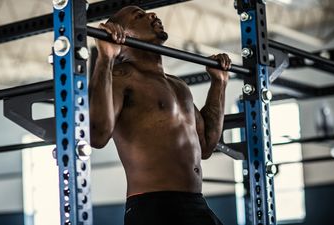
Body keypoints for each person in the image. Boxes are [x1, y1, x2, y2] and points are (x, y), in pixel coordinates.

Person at [89, 5, 230, 225]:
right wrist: (105, 58)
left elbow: (206, 146)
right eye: (139, 16)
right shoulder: (121, 77)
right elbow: (97, 135)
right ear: (123, 35)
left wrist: (219, 83)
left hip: (196, 203)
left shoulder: (179, 85)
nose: (152, 15)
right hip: (154, 207)